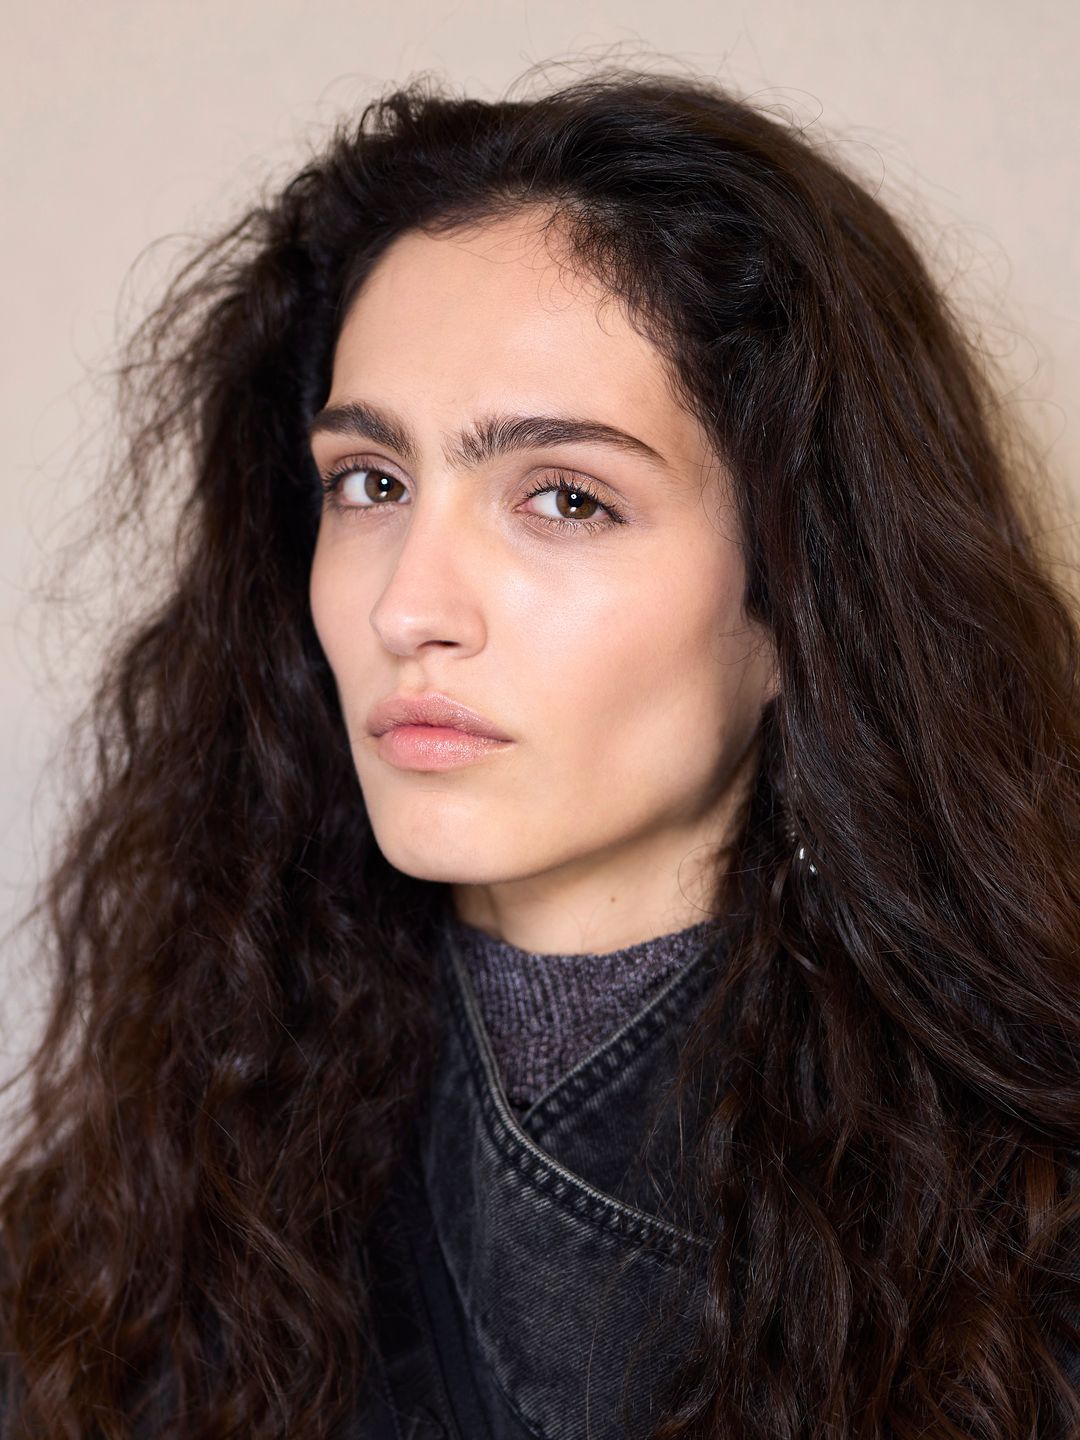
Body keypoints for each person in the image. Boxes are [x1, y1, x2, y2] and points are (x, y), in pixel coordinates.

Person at [1, 62, 1077, 1440]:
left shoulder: (1032, 1270)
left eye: (564, 497)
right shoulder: (126, 1251)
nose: (408, 605)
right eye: (369, 483)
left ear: (806, 596)